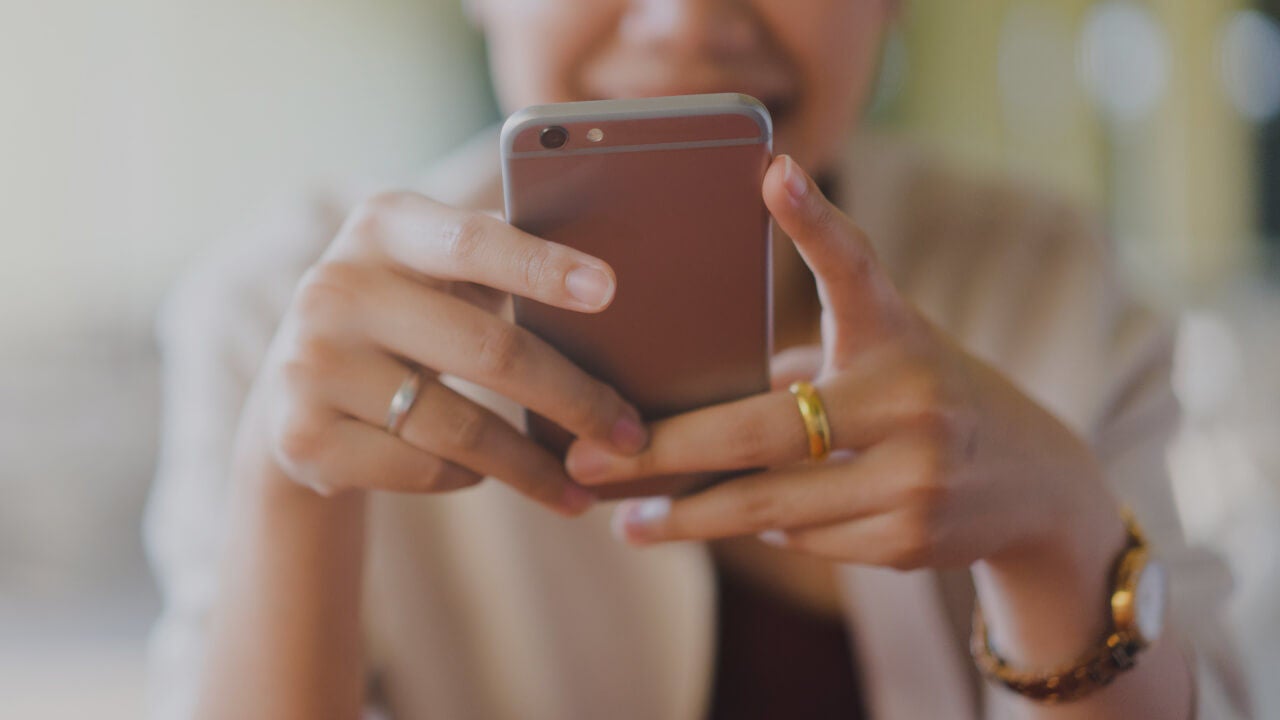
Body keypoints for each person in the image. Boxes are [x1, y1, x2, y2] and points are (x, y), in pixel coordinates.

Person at [143, 1, 1250, 718]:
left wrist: (1061, 539)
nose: (687, 22)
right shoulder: (275, 315)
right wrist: (290, 498)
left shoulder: (1050, 279)